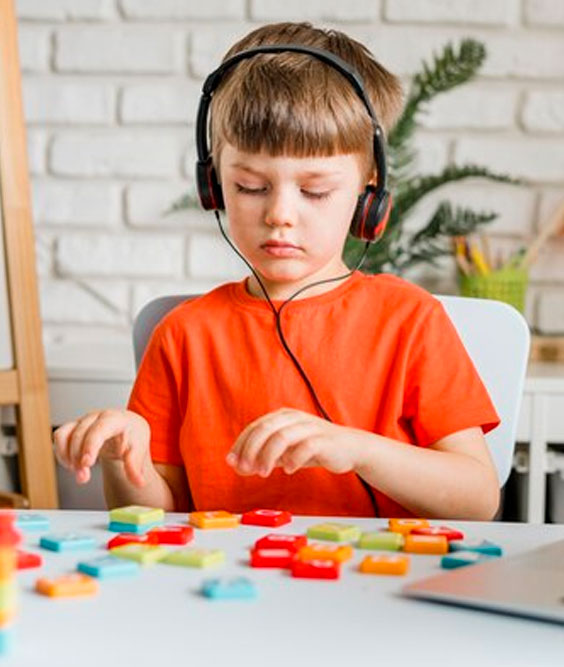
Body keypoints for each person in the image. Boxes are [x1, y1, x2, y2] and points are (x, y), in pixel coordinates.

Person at [53, 22, 500, 520]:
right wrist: (124, 461)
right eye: (249, 186)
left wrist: (359, 449)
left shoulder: (410, 320)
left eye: (314, 191)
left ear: (368, 192)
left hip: (374, 586)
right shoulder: (183, 335)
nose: (280, 214)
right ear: (213, 185)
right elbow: (163, 513)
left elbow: (478, 501)